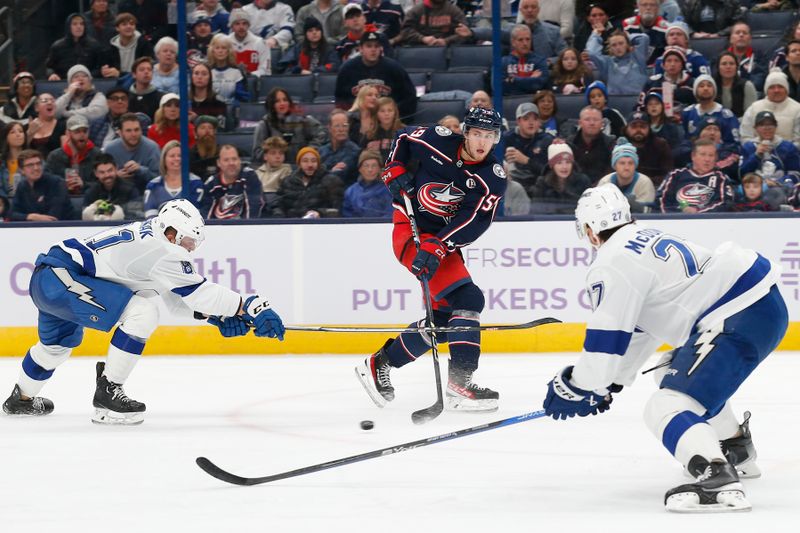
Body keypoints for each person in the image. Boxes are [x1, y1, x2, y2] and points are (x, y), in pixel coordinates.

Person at [544, 182, 786, 513]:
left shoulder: (611, 261)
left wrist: (576, 384)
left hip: (736, 317)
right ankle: (734, 448)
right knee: (668, 371)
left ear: (589, 229)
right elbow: (643, 330)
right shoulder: (644, 237)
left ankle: (718, 479)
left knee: (664, 406)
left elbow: (606, 341)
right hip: (761, 306)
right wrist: (610, 382)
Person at [2, 199, 285, 423]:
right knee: (143, 313)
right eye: (187, 241)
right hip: (63, 278)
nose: (190, 248)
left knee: (56, 347)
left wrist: (216, 318)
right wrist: (251, 306)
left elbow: (177, 300)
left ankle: (21, 399)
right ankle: (109, 390)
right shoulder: (164, 250)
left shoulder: (153, 243)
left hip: (50, 280)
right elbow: (199, 294)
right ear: (171, 233)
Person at [355, 107, 507, 412]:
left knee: (442, 320)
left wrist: (441, 243)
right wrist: (394, 167)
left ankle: (380, 362)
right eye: (477, 134)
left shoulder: (492, 177)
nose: (481, 142)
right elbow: (402, 139)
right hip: (409, 232)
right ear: (466, 132)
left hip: (441, 244)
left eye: (489, 136)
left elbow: (474, 222)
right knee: (469, 299)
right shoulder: (437, 140)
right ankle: (460, 383)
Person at [335, 31, 417, 119]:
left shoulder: (394, 68)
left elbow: (409, 97)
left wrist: (392, 112)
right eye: (369, 46)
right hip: (358, 121)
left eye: (376, 46)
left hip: (388, 121)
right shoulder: (347, 69)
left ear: (381, 49)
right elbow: (340, 99)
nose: (373, 50)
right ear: (361, 49)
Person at [251, 88, 328, 163]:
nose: (282, 103)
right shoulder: (264, 125)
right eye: (277, 101)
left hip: (300, 167)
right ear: (271, 104)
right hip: (275, 169)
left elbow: (322, 133)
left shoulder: (302, 119)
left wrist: (308, 151)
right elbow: (257, 154)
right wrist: (272, 155)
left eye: (285, 100)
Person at [659, 139, 732, 213]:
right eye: (703, 154)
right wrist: (677, 215)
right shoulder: (675, 175)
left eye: (711, 155)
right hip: (674, 221)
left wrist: (698, 212)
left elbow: (725, 203)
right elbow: (661, 199)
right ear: (693, 156)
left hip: (707, 222)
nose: (707, 159)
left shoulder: (721, 179)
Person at [272, 146, 345, 218]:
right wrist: (279, 216)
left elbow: (337, 210)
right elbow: (277, 205)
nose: (310, 165)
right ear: (299, 164)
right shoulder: (288, 182)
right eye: (305, 161)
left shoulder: (331, 181)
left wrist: (320, 213)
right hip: (292, 225)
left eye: (313, 161)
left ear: (318, 163)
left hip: (321, 225)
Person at [739, 110, 800, 194]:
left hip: (780, 189)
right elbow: (741, 174)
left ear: (776, 126)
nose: (767, 128)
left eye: (770, 124)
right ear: (755, 128)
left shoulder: (788, 147)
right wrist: (756, 155)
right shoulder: (748, 147)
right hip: (753, 189)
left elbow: (795, 174)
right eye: (762, 125)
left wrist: (779, 182)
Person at [9, 149, 75, 221]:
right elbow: (12, 214)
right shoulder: (22, 185)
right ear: (21, 170)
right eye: (30, 165)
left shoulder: (56, 183)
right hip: (33, 228)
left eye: (38, 163)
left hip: (64, 228)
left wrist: (28, 217)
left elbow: (52, 217)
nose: (36, 168)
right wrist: (30, 216)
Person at [103, 113, 162, 193]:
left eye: (136, 130)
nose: (133, 134)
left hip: (145, 193)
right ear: (120, 133)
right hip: (117, 194)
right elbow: (100, 177)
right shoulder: (110, 149)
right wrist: (115, 176)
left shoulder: (152, 148)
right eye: (128, 131)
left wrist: (140, 170)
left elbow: (160, 180)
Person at [202, 145, 264, 219]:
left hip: (246, 228)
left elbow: (254, 207)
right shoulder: (211, 184)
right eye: (226, 160)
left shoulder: (249, 176)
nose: (231, 163)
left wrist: (247, 228)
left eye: (234, 159)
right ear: (219, 163)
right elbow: (206, 216)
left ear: (239, 161)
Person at [144, 141, 205, 217]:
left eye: (180, 155)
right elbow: (150, 216)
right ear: (164, 159)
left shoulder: (195, 183)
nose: (177, 159)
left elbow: (196, 215)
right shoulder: (153, 185)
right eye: (172, 156)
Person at [502, 102, 553, 192]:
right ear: (518, 121)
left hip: (537, 187)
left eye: (535, 119)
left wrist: (526, 161)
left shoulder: (546, 140)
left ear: (539, 122)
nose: (531, 123)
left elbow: (548, 172)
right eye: (526, 119)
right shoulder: (506, 138)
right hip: (511, 184)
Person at [529, 140, 591, 214]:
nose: (564, 167)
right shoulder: (542, 183)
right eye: (559, 163)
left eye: (568, 162)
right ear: (552, 165)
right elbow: (536, 211)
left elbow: (590, 209)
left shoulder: (583, 181)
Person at [740, 71, 800, 147]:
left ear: (786, 89)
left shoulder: (797, 109)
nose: (776, 90)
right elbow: (746, 136)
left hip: (788, 155)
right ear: (766, 90)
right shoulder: (754, 108)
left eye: (780, 87)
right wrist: (757, 150)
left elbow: (798, 140)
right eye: (772, 87)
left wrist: (783, 152)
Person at [45, 114, 102, 194]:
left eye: (85, 131)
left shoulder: (97, 154)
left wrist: (84, 184)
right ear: (68, 133)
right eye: (77, 131)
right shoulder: (55, 156)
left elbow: (104, 182)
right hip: (62, 199)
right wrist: (63, 185)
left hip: (90, 199)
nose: (82, 135)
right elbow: (47, 182)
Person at [597, 137, 656, 209]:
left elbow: (647, 212)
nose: (626, 167)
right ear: (615, 166)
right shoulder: (605, 182)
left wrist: (635, 206)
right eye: (622, 163)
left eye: (630, 163)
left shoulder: (644, 183)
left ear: (635, 165)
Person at [587, 29, 650, 95]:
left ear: (627, 44)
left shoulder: (637, 56)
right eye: (614, 45)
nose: (618, 47)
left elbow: (644, 38)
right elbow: (592, 53)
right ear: (610, 48)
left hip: (639, 102)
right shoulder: (606, 63)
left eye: (621, 43)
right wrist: (595, 35)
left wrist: (628, 36)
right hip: (615, 102)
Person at [82, 153, 144, 221]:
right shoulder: (90, 192)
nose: (107, 175)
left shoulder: (130, 189)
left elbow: (137, 216)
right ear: (96, 173)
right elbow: (85, 217)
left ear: (116, 169)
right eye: (102, 172)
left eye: (110, 170)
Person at [682, 75, 740, 145]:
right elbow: (684, 140)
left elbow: (733, 143)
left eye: (709, 86)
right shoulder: (687, 113)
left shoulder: (727, 115)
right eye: (701, 86)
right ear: (695, 90)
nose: (705, 88)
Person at [46, 13, 105, 80]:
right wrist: (52, 74)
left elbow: (100, 67)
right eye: (74, 24)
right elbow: (49, 67)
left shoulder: (94, 45)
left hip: (88, 81)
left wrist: (88, 76)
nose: (79, 27)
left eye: (82, 24)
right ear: (68, 27)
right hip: (63, 82)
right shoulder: (57, 46)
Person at [623, 109, 673, 186]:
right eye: (634, 126)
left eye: (642, 126)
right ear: (626, 129)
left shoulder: (660, 145)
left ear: (649, 128)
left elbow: (668, 175)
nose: (638, 130)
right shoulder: (620, 147)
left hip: (654, 187)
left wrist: (643, 182)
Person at [568, 106, 615, 185]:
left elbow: (611, 172)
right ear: (580, 123)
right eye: (587, 119)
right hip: (574, 189)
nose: (592, 123)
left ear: (602, 123)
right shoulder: (569, 143)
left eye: (596, 120)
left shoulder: (610, 143)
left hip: (602, 188)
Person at [396, 0, 472, 47]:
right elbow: (405, 31)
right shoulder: (417, 10)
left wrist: (446, 41)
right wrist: (422, 38)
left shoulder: (454, 10)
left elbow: (465, 33)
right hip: (420, 48)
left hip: (448, 49)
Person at [342, 150, 393, 217]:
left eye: (374, 166)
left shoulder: (389, 190)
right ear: (360, 169)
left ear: (379, 168)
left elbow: (390, 214)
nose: (370, 170)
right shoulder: (351, 191)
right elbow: (347, 216)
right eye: (366, 166)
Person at [501, 25, 550, 96]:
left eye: (528, 39)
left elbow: (538, 85)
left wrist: (513, 80)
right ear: (513, 42)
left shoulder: (540, 61)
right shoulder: (502, 62)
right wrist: (530, 79)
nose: (525, 43)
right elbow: (500, 87)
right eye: (520, 40)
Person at [104, 12, 155, 78]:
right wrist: (105, 71)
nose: (129, 26)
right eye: (124, 24)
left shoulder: (144, 44)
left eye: (132, 24)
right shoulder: (111, 46)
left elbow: (148, 70)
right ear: (117, 28)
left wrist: (120, 74)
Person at [319, 110, 362, 185]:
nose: (341, 129)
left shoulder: (354, 151)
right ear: (329, 128)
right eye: (337, 126)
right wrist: (330, 171)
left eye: (344, 125)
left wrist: (324, 172)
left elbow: (338, 176)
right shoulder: (322, 150)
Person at [207, 34, 251, 106]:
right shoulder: (206, 71)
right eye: (217, 48)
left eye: (224, 48)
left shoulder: (237, 72)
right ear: (212, 51)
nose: (220, 51)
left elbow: (243, 97)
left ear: (229, 51)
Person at [622, 0, 669, 65]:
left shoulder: (666, 28)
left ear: (658, 8)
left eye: (652, 5)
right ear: (638, 7)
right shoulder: (627, 25)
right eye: (644, 5)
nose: (648, 8)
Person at [713, 51, 757, 119]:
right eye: (724, 64)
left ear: (736, 67)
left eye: (731, 64)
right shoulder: (711, 86)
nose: (728, 67)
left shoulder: (747, 86)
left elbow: (750, 115)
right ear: (718, 68)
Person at [255, 136, 293, 214]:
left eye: (281, 153)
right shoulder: (257, 173)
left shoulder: (287, 171)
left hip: (277, 206)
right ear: (265, 156)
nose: (278, 156)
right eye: (273, 153)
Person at [727, 22, 767, 92]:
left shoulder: (759, 58)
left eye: (745, 33)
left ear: (750, 39)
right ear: (731, 39)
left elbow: (759, 83)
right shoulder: (721, 58)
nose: (741, 35)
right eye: (737, 32)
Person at [362, 96, 404, 161]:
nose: (386, 114)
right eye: (382, 111)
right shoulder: (369, 134)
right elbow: (362, 157)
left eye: (390, 110)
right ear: (376, 114)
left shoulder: (404, 132)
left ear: (395, 113)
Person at [26, 94, 67, 160]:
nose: (50, 103)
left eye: (53, 101)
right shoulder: (29, 126)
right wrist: (29, 134)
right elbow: (22, 151)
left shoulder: (63, 125)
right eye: (45, 101)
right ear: (36, 108)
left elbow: (65, 153)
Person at [128, 57, 166, 121]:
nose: (146, 72)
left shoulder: (161, 98)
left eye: (149, 69)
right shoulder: (126, 97)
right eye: (142, 70)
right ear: (134, 74)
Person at [190, 115, 222, 181]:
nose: (207, 131)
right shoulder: (189, 155)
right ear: (195, 133)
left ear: (215, 132)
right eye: (202, 128)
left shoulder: (222, 153)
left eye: (210, 128)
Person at [0, 122, 26, 196]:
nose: (18, 134)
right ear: (6, 138)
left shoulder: (34, 159)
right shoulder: (2, 163)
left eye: (21, 131)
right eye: (12, 132)